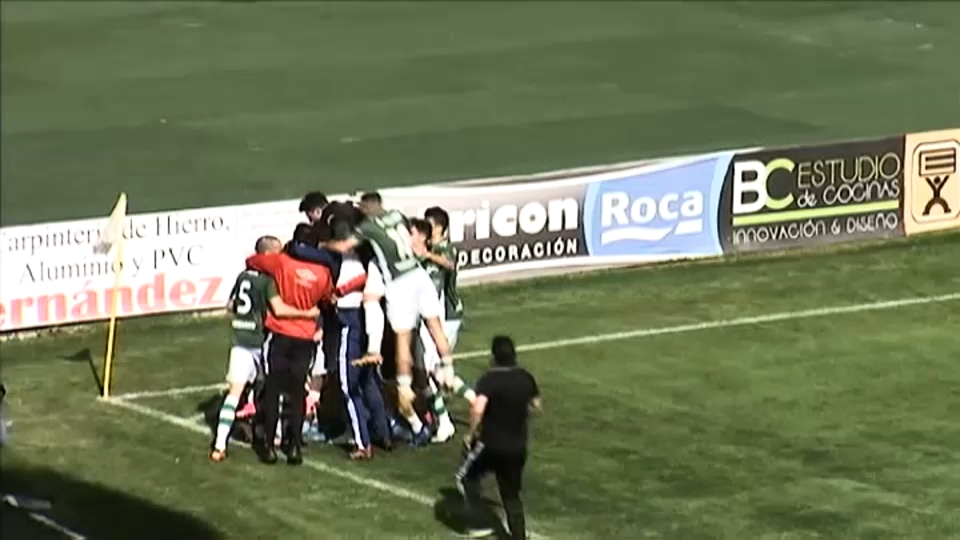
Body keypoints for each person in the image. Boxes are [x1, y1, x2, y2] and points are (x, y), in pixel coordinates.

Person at [327, 192, 457, 445]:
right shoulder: (397, 215)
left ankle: (405, 386)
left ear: (366, 209)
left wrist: (324, 245)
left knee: (402, 337)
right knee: (434, 325)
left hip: (399, 280)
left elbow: (344, 246)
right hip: (418, 274)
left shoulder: (366, 227)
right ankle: (449, 369)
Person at [210, 236, 321, 462]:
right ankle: (277, 436)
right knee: (276, 388)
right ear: (268, 255)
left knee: (235, 392)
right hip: (262, 340)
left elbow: (231, 305)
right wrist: (308, 314)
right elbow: (278, 309)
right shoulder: (269, 280)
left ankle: (220, 445)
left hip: (240, 338)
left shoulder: (243, 276)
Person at [244, 225, 335, 465]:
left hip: (280, 332)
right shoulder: (323, 272)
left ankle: (269, 446)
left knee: (273, 389)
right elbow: (327, 298)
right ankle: (294, 445)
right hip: (305, 338)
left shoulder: (282, 262)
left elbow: (252, 260)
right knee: (297, 393)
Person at [456, 336, 540, 540]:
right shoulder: (525, 378)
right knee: (511, 495)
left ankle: (478, 522)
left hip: (491, 445)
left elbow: (478, 408)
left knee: (466, 477)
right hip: (518, 446)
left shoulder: (489, 379)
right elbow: (537, 405)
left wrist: (471, 432)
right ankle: (518, 536)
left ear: (493, 356)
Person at [415, 209, 476, 443]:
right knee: (438, 372)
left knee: (430, 370)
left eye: (429, 225)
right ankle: (475, 401)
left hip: (447, 316)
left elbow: (449, 264)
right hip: (440, 317)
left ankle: (444, 421)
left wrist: (427, 255)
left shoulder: (444, 249)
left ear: (439, 228)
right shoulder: (430, 251)